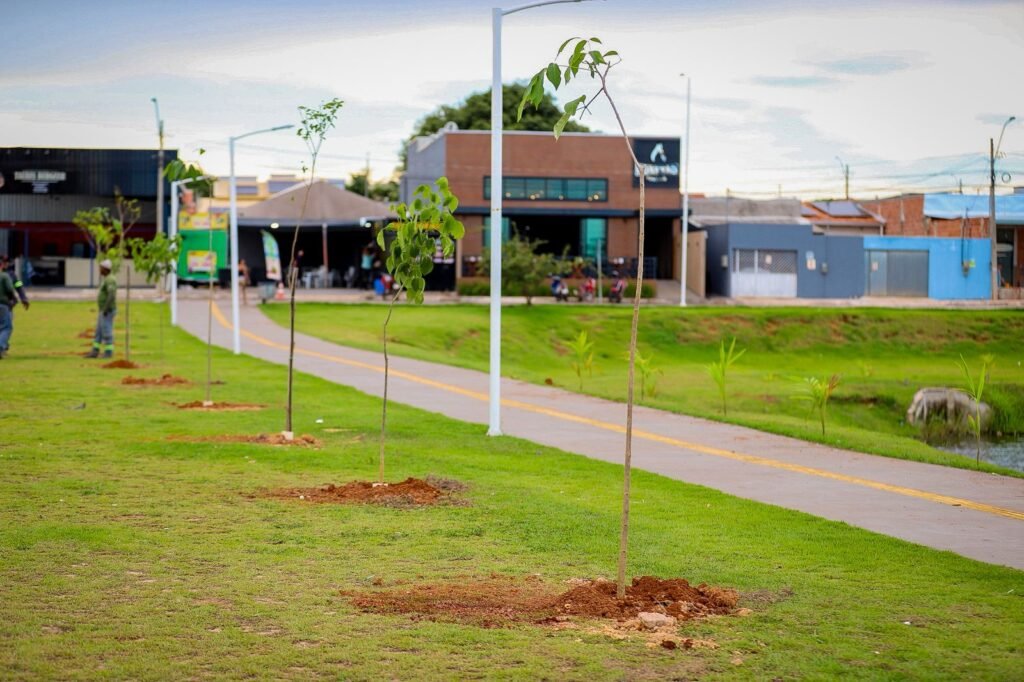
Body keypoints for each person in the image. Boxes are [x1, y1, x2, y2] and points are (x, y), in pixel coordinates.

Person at [0, 255, 29, 359]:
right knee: (6, 327)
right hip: (6, 304)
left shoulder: (12, 274)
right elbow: (12, 289)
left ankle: (3, 347)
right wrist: (16, 299)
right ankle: (1, 347)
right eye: (5, 262)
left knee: (5, 326)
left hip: (8, 305)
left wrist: (23, 297)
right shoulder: (6, 275)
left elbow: (18, 285)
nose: (7, 264)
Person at [87, 259, 117, 359]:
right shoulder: (107, 279)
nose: (99, 270)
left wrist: (105, 308)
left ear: (105, 269)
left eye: (101, 268)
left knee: (106, 331)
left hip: (107, 311)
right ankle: (95, 351)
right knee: (98, 332)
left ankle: (108, 352)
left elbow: (111, 295)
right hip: (103, 310)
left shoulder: (110, 280)